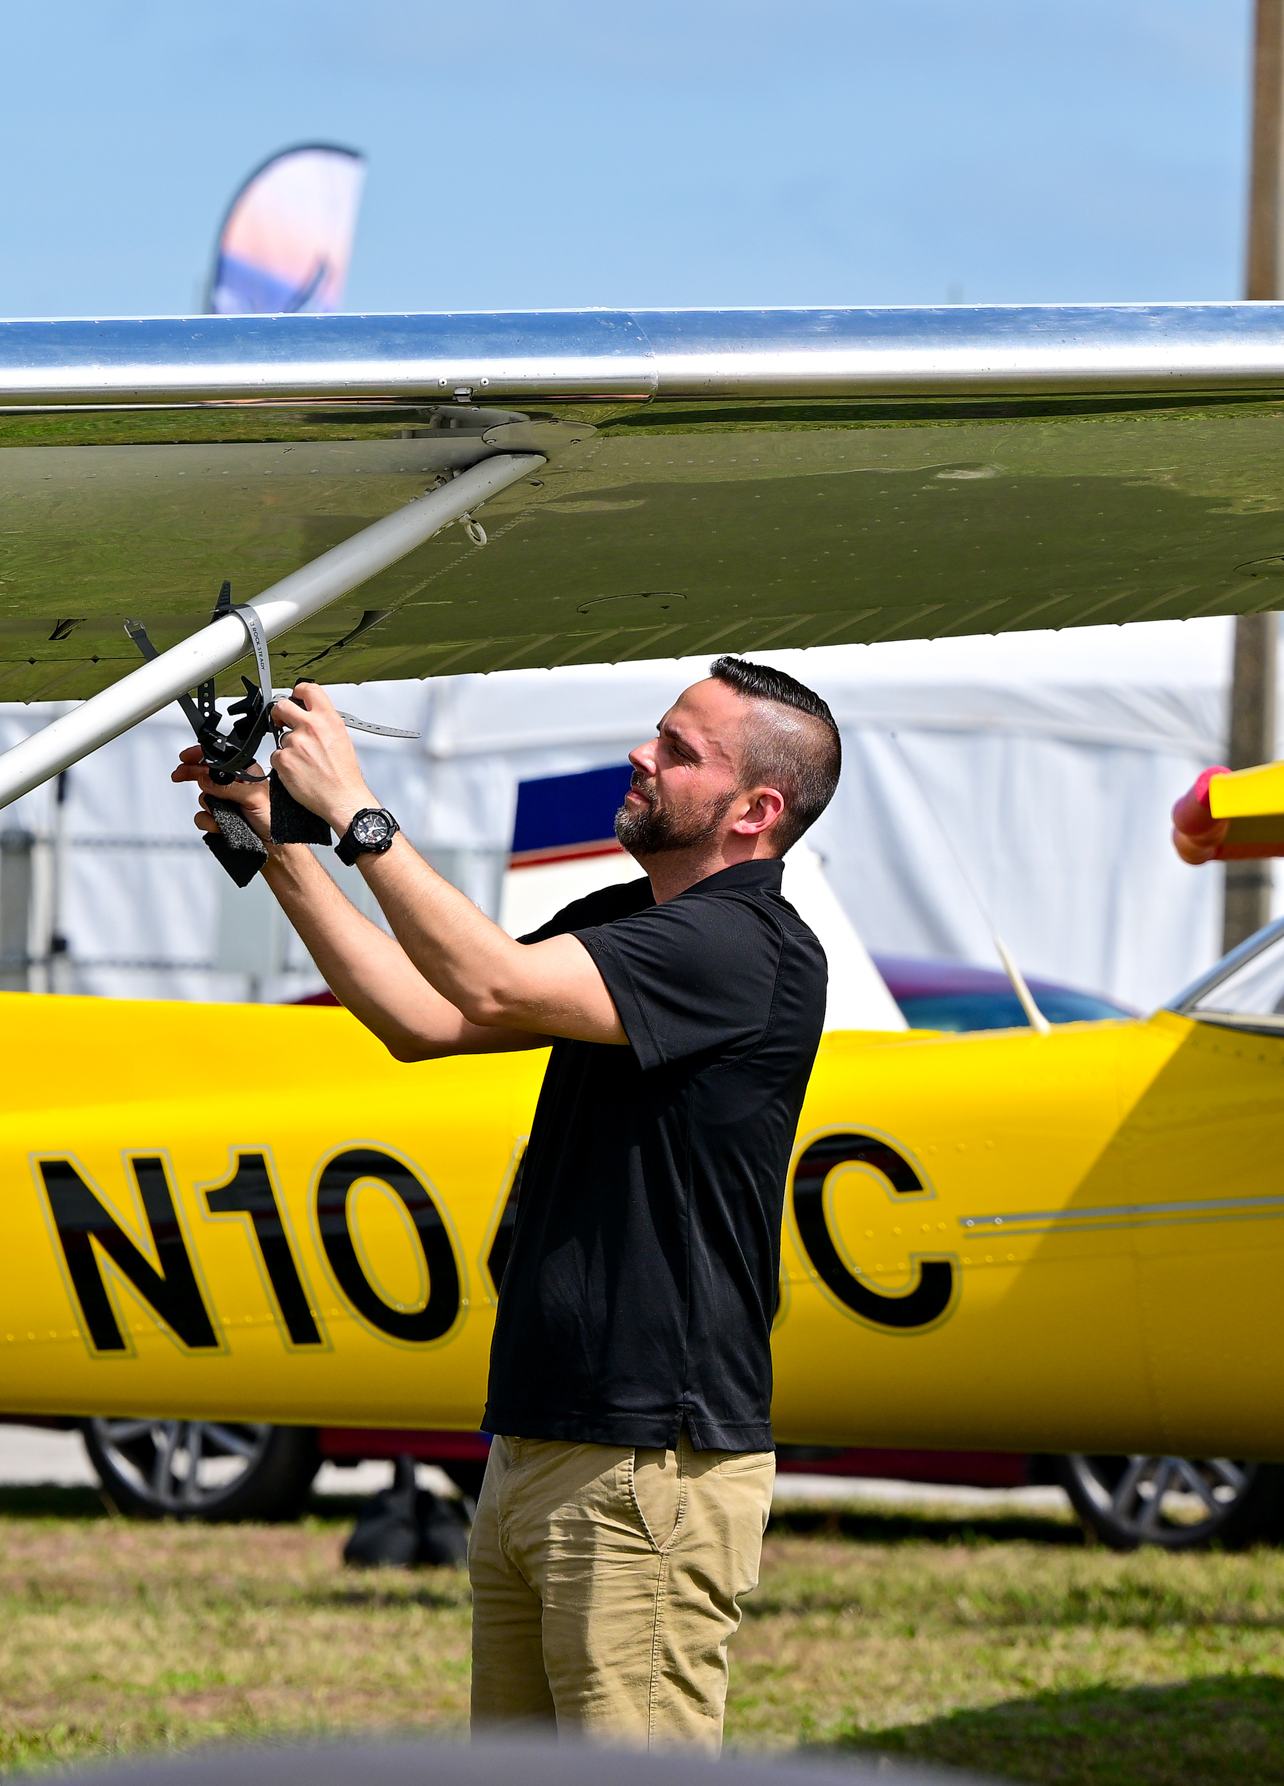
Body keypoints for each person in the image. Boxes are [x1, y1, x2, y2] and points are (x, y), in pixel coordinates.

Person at [175, 656, 839, 1755]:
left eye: (680, 750)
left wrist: (355, 811)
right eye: (657, 732)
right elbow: (421, 1018)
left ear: (756, 810)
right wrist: (281, 842)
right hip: (543, 1440)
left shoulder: (744, 947)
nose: (643, 753)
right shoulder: (636, 920)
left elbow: (492, 982)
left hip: (647, 1465)